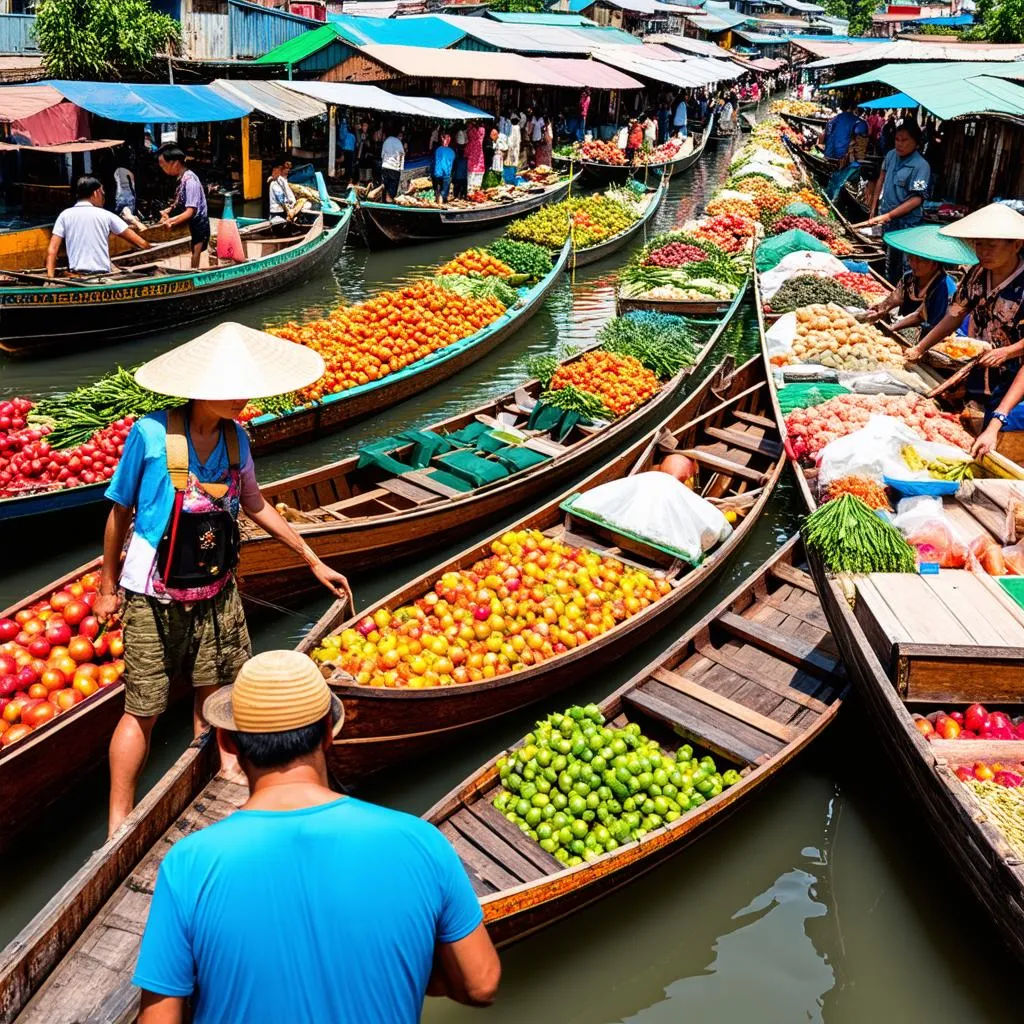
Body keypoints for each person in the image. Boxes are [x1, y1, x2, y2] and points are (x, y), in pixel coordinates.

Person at [133, 649, 501, 1024]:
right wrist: (413, 970)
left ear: (227, 742)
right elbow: (482, 983)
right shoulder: (421, 841)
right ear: (328, 732)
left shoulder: (188, 864)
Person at [97, 326, 350, 838]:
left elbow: (255, 504)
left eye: (246, 387)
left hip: (215, 588)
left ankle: (219, 777)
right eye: (231, 387)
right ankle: (116, 825)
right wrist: (108, 587)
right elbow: (118, 514)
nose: (242, 397)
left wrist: (310, 558)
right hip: (153, 593)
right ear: (197, 386)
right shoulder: (151, 434)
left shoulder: (237, 439)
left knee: (215, 691)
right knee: (142, 707)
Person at [907, 204, 1024, 458]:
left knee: (998, 432)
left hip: (1016, 376)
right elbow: (955, 314)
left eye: (991, 245)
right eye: (979, 244)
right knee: (971, 430)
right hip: (981, 369)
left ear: (1015, 245)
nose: (982, 251)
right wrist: (920, 347)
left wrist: (1009, 351)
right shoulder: (977, 274)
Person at [855, 119, 931, 284]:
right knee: (889, 262)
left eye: (905, 140)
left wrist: (888, 215)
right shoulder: (890, 156)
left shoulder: (921, 166)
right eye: (897, 139)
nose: (900, 144)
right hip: (887, 221)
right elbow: (881, 179)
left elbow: (917, 199)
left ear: (916, 143)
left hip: (907, 224)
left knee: (907, 265)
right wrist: (874, 208)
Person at [862, 225, 965, 337]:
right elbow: (895, 298)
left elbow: (923, 318)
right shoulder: (909, 278)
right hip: (906, 330)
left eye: (920, 261)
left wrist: (893, 327)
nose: (913, 264)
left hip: (933, 336)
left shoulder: (943, 287)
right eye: (911, 258)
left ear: (934, 264)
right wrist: (880, 309)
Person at [46, 175, 149, 277]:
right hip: (101, 276)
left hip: (76, 276)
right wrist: (150, 247)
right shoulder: (106, 215)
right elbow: (141, 243)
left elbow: (52, 250)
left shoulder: (64, 215)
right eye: (102, 193)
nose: (103, 197)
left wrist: (50, 278)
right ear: (96, 193)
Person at [157, 146, 209, 270]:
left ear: (175, 163)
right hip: (189, 226)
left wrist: (171, 221)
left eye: (163, 165)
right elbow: (180, 201)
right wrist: (168, 210)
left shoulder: (191, 181)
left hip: (198, 226)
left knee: (195, 257)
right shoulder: (182, 178)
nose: (162, 169)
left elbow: (190, 211)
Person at [821, 100, 868, 170]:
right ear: (855, 108)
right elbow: (860, 145)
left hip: (829, 156)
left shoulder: (834, 119)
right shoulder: (860, 123)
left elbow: (825, 135)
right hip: (844, 159)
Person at [267, 155, 304, 236]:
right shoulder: (274, 183)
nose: (288, 170)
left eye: (289, 168)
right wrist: (290, 211)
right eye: (286, 168)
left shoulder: (282, 180)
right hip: (278, 218)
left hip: (284, 214)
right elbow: (282, 199)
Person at [380, 127, 405, 202]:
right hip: (394, 168)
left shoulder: (386, 141)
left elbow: (382, 155)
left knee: (385, 185)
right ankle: (389, 203)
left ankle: (383, 202)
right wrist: (401, 168)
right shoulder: (398, 142)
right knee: (392, 188)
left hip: (385, 166)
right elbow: (402, 155)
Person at [432, 132, 456, 203]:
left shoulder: (437, 149)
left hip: (437, 173)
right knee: (444, 193)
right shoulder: (452, 151)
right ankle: (442, 204)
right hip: (446, 174)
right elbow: (453, 163)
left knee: (437, 191)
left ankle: (437, 201)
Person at [112, 151, 137, 217]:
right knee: (129, 215)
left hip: (119, 195)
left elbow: (116, 184)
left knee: (120, 215)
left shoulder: (116, 171)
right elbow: (133, 186)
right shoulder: (128, 172)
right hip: (128, 196)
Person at [465, 120, 486, 191]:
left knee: (470, 175)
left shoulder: (470, 133)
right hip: (479, 155)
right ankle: (476, 191)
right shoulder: (482, 131)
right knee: (478, 175)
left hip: (471, 155)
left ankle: (470, 191)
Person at [338, 118, 357, 183]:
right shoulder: (352, 135)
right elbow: (355, 143)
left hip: (345, 150)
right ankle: (349, 177)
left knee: (345, 164)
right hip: (351, 151)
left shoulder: (343, 131)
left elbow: (341, 139)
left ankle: (345, 177)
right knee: (349, 165)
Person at [504, 116, 521, 185]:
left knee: (511, 163)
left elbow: (513, 138)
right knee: (513, 163)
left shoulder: (514, 127)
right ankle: (511, 179)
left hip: (513, 147)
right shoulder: (516, 127)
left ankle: (510, 180)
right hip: (514, 147)